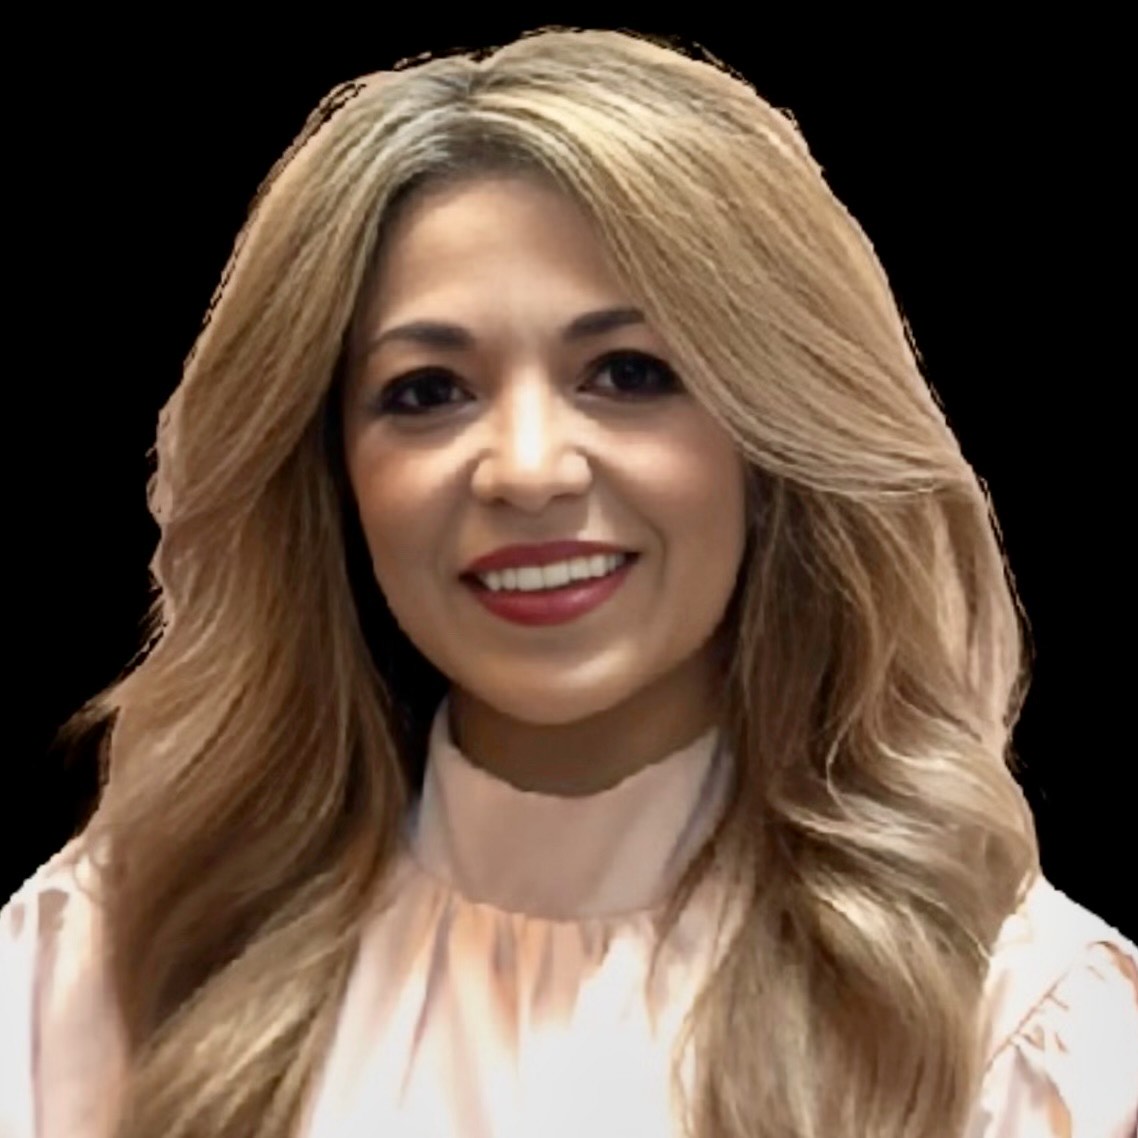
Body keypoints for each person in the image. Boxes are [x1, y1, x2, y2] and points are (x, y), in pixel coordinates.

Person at [2, 27, 1135, 1138]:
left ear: (770, 444)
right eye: (427, 391)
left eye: (628, 373)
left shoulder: (1020, 1027)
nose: (528, 469)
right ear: (332, 474)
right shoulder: (107, 963)